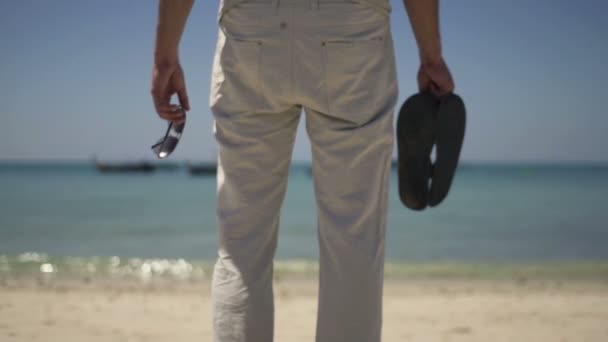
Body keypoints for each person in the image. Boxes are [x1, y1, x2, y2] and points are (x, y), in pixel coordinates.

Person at [151, 0, 454, 341]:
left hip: (252, 26)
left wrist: (165, 56)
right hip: (352, 28)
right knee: (353, 242)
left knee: (241, 247)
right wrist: (432, 56)